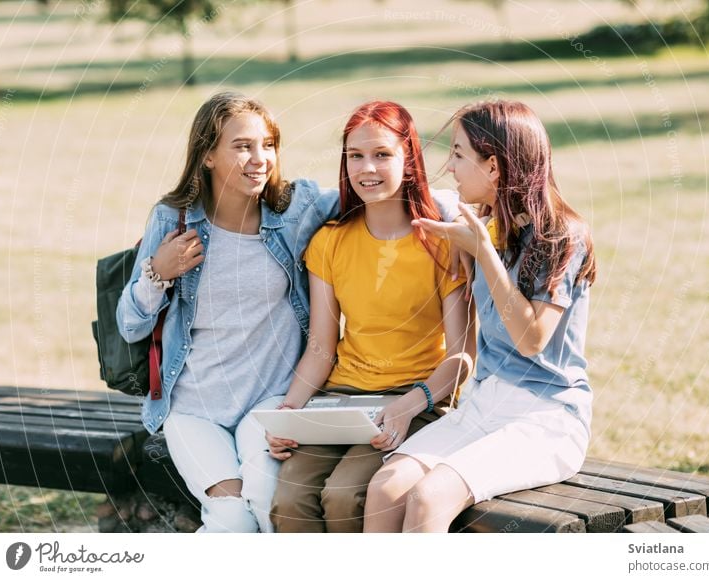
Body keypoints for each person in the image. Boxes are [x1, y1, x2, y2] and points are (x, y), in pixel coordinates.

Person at [116, 92, 461, 533]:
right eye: (242, 146)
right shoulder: (173, 221)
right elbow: (130, 326)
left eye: (268, 145)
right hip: (195, 406)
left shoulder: (293, 210)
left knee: (267, 505)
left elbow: (370, 187)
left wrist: (447, 208)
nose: (260, 159)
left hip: (269, 400)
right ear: (206, 155)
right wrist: (156, 272)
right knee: (231, 518)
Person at [363, 100, 598, 533]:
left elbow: (531, 339)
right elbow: (416, 195)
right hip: (487, 401)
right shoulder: (485, 222)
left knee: (428, 497)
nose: (449, 167)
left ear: (493, 168)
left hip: (548, 416)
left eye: (457, 154)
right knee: (385, 489)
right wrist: (473, 241)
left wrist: (481, 250)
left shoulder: (562, 236)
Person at [266, 101, 476, 533]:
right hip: (342, 400)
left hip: (416, 400)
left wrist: (408, 405)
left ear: (410, 160)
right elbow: (322, 347)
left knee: (344, 497)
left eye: (382, 154)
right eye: (356, 156)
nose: (367, 168)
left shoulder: (442, 244)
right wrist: (290, 413)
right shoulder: (329, 242)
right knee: (288, 498)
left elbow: (461, 359)